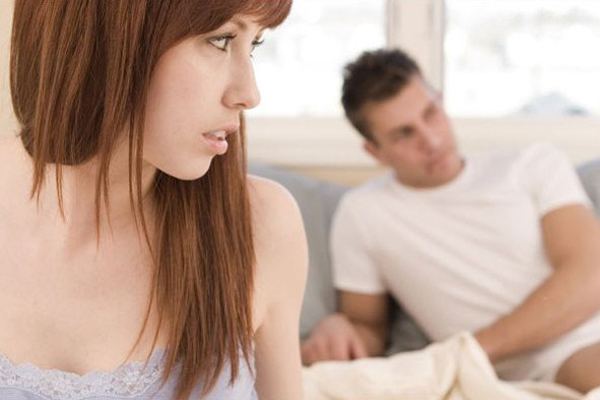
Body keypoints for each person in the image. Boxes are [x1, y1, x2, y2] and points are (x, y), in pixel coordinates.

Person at [1, 1, 307, 399]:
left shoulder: (262, 226)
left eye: (254, 45)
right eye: (220, 39)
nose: (249, 94)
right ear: (108, 33)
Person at [301, 48, 600, 393]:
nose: (431, 140)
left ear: (440, 100)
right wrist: (337, 328)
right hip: (556, 362)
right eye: (404, 134)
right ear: (375, 151)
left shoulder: (533, 163)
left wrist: (466, 352)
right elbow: (368, 328)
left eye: (431, 113)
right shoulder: (362, 213)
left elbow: (591, 273)